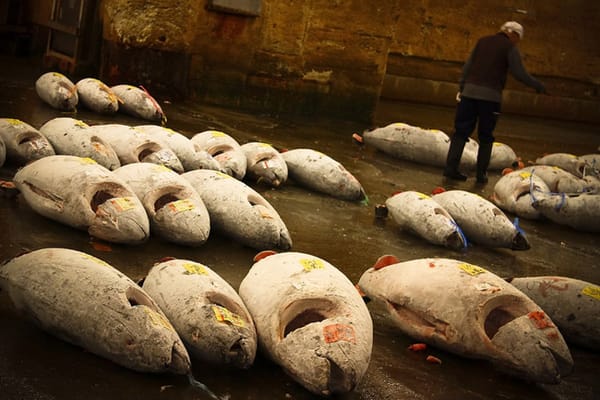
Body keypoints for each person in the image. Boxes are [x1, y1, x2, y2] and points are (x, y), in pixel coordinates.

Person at [443, 21, 546, 183]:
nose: (517, 42)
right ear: (514, 35)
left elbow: (467, 67)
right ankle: (480, 175)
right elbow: (519, 72)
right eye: (517, 39)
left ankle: (450, 169)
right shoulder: (509, 47)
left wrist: (463, 87)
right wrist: (537, 85)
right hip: (490, 98)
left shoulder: (482, 41)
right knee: (485, 136)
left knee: (460, 132)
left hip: (469, 94)